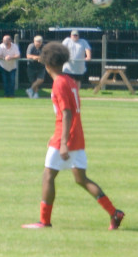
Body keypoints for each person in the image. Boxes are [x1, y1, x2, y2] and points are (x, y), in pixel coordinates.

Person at [22, 42, 124, 230]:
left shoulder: (59, 84)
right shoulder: (68, 80)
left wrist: (62, 143)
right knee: (81, 179)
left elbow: (66, 113)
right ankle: (114, 213)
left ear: (46, 64)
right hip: (76, 134)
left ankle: (44, 221)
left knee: (48, 176)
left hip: (66, 136)